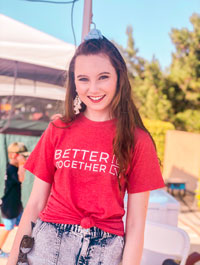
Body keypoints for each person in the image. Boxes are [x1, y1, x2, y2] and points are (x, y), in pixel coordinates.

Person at [7, 29, 165, 265]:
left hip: (105, 251)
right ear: (74, 81)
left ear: (119, 77)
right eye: (83, 79)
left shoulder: (138, 140)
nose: (93, 88)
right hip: (47, 245)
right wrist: (13, 261)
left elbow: (135, 225)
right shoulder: (58, 129)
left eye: (103, 77)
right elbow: (35, 205)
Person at [0, 142, 28, 258]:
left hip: (16, 205)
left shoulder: (13, 168)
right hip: (9, 206)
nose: (24, 158)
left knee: (22, 226)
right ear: (14, 155)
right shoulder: (12, 168)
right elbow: (21, 178)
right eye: (22, 155)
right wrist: (22, 163)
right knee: (8, 228)